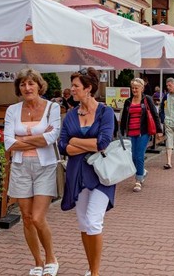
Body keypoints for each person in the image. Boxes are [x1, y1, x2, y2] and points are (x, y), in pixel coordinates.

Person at [58, 67, 116, 276]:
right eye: (72, 85)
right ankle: (91, 268)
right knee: (83, 223)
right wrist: (84, 144)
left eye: (76, 86)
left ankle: (96, 273)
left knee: (93, 220)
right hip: (76, 174)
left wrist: (75, 141)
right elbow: (62, 146)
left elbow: (103, 143)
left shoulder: (105, 112)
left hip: (101, 174)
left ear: (88, 88)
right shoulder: (71, 115)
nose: (72, 89)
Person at [4, 68, 61, 276]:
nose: (27, 88)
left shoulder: (52, 107)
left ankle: (51, 258)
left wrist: (22, 139)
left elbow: (53, 136)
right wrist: (39, 139)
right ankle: (38, 262)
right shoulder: (12, 110)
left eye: (31, 83)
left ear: (39, 85)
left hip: (45, 167)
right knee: (26, 217)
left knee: (37, 217)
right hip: (20, 167)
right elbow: (8, 143)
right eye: (23, 84)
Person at [119, 77, 162, 192]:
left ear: (142, 88)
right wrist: (121, 131)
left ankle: (138, 181)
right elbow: (124, 117)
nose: (134, 90)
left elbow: (155, 115)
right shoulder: (128, 101)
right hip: (131, 132)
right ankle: (142, 171)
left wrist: (159, 130)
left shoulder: (147, 99)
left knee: (139, 156)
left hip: (144, 131)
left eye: (136, 88)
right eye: (132, 88)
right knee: (133, 157)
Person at [159, 78, 174, 169]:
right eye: (167, 86)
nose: (168, 87)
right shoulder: (166, 96)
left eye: (170, 85)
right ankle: (168, 162)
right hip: (168, 122)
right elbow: (161, 108)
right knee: (169, 142)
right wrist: (163, 118)